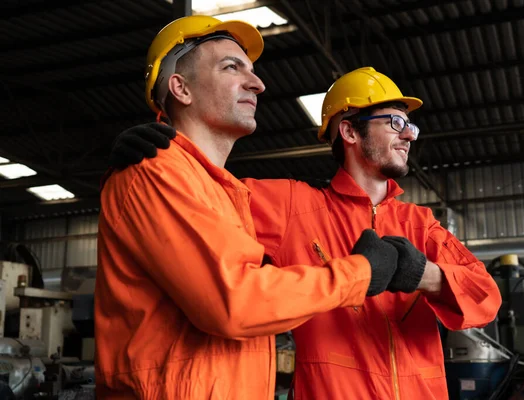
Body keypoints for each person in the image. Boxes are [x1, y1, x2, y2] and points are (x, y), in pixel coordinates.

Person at [109, 67, 502, 399]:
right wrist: (161, 146)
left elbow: (486, 295)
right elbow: (203, 191)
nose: (409, 135)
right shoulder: (291, 207)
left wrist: (424, 275)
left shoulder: (420, 223)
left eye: (410, 125)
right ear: (349, 132)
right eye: (396, 122)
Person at [96, 16, 408, 400]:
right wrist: (362, 272)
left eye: (253, 71)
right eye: (232, 67)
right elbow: (235, 302)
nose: (257, 83)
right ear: (181, 88)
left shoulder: (228, 194)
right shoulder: (155, 173)